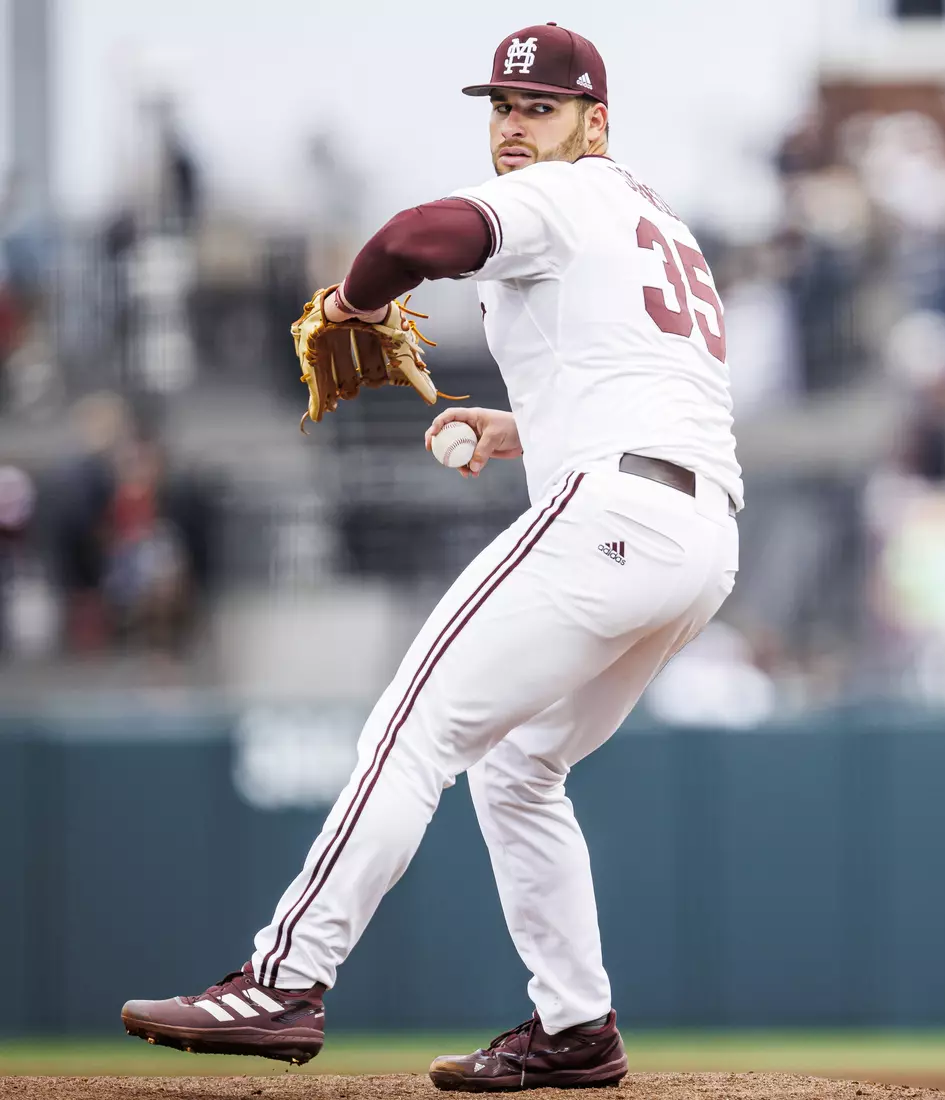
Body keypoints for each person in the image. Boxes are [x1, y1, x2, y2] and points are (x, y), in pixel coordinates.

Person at [119, 23, 741, 1092]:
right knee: (518, 766)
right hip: (699, 532)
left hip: (616, 513)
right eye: (501, 107)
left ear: (594, 122)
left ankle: (283, 979)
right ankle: (577, 1026)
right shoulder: (655, 222)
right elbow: (642, 383)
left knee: (411, 726)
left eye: (537, 107)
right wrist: (520, 427)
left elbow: (418, 232)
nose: (512, 126)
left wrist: (354, 302)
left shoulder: (565, 191)